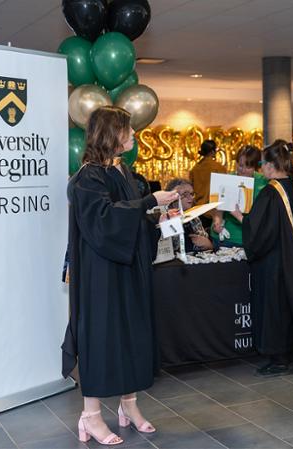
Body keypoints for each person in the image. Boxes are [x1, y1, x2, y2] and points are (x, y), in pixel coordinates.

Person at [61, 106, 178, 445]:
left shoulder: (123, 171)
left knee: (131, 337)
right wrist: (145, 203)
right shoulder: (87, 178)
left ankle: (129, 406)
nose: (134, 135)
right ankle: (92, 416)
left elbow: (132, 221)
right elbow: (104, 224)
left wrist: (160, 217)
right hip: (101, 278)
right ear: (111, 134)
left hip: (127, 270)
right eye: (128, 130)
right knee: (101, 341)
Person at [243, 141, 293, 376]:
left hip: (274, 263)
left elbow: (259, 231)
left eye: (263, 163)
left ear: (272, 165)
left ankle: (279, 358)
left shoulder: (271, 192)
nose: (261, 167)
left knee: (274, 308)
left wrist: (240, 216)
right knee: (287, 307)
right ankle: (288, 353)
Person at [211, 145, 268, 247]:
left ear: (256, 167)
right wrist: (217, 221)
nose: (243, 170)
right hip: (226, 235)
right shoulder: (227, 179)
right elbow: (218, 206)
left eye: (248, 167)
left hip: (250, 237)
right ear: (236, 162)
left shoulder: (263, 182)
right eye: (240, 165)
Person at [165, 178, 214, 252]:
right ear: (172, 196)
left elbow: (205, 244)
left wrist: (208, 244)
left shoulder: (193, 216)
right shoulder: (165, 218)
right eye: (185, 193)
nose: (190, 197)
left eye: (191, 194)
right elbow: (170, 248)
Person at [189, 139, 227, 228]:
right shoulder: (219, 168)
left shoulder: (195, 169)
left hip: (198, 210)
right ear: (213, 151)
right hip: (214, 211)